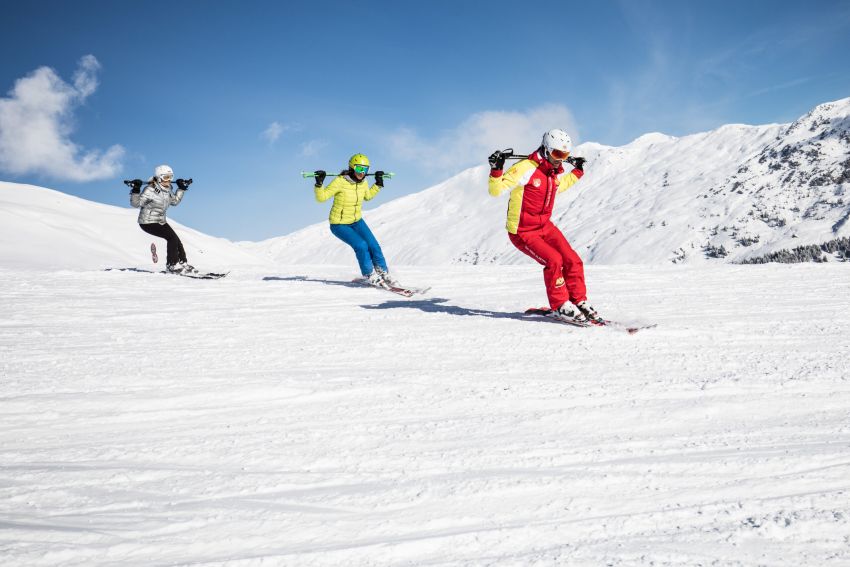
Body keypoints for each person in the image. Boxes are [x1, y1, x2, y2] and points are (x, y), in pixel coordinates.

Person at [488, 129, 601, 324]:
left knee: (573, 260)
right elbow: (496, 190)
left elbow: (560, 186)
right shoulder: (525, 168)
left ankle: (579, 301)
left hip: (545, 227)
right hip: (523, 231)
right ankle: (560, 306)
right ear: (547, 150)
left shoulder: (552, 172)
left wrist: (578, 171)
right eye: (557, 154)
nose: (560, 159)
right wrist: (497, 168)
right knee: (554, 261)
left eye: (564, 155)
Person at [312, 153, 398, 287]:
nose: (362, 173)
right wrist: (319, 183)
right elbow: (321, 198)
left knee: (374, 245)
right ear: (352, 168)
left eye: (365, 169)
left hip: (357, 221)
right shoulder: (340, 181)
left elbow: (368, 197)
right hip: (339, 224)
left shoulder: (363, 182)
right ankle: (369, 274)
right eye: (359, 169)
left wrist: (378, 184)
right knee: (361, 245)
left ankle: (383, 273)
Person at [128, 165, 195, 274]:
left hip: (160, 221)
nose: (168, 180)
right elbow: (136, 204)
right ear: (159, 178)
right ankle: (171, 265)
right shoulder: (150, 190)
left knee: (176, 240)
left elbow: (175, 202)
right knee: (172, 238)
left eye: (171, 177)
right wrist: (136, 189)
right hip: (147, 222)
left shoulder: (168, 190)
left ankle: (183, 263)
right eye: (166, 177)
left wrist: (181, 188)